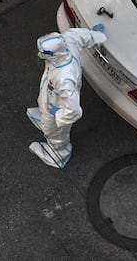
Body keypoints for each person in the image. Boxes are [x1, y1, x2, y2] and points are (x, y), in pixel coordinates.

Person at [26, 25, 106, 168]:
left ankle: (58, 155)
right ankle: (45, 120)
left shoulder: (64, 78)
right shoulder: (68, 39)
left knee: (55, 134)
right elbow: (84, 35)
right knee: (45, 102)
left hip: (57, 107)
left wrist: (58, 119)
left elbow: (73, 110)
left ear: (52, 54)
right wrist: (98, 36)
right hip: (51, 96)